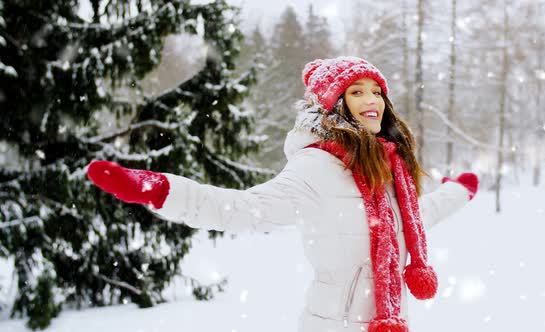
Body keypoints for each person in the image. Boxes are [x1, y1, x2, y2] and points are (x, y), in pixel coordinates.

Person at [87, 56, 478, 332]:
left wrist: (458, 191)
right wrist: (161, 190)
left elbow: (413, 220)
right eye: (357, 92)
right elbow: (244, 210)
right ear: (335, 105)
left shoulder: (388, 171)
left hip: (392, 323)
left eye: (377, 92)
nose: (372, 101)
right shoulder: (317, 167)